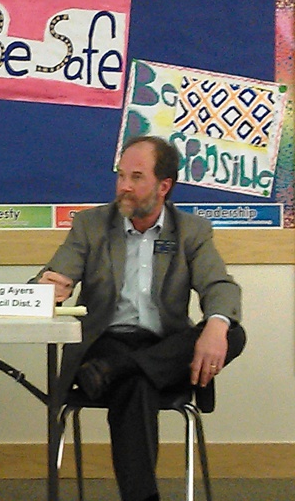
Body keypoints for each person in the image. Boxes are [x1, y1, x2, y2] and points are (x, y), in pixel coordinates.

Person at [33, 135, 246, 501]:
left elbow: (220, 286)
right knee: (138, 383)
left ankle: (122, 370)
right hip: (107, 342)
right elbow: (54, 274)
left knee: (232, 332)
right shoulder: (92, 225)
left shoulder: (192, 231)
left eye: (135, 177)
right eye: (120, 176)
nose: (124, 187)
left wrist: (215, 325)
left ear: (164, 186)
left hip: (161, 346)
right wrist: (46, 287)